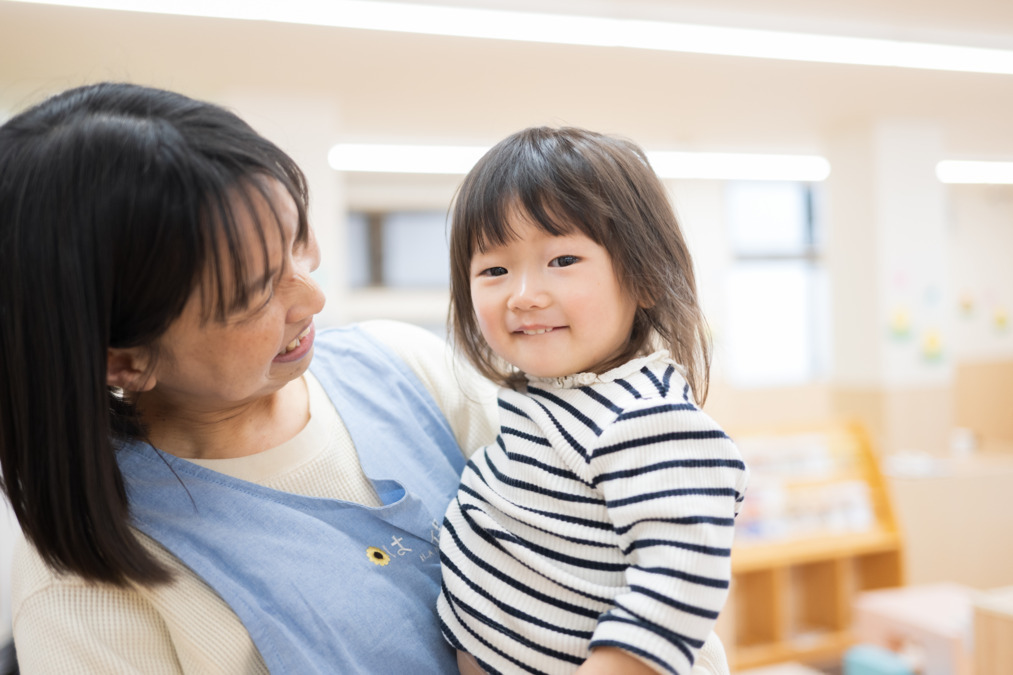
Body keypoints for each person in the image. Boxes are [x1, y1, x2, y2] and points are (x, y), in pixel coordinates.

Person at [0, 82, 499, 673]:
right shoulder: (85, 594)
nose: (311, 297)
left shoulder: (409, 366)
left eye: (297, 240)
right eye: (256, 293)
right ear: (125, 361)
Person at [437, 127, 750, 675]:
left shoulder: (648, 418)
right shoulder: (541, 400)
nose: (523, 295)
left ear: (646, 277)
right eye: (494, 270)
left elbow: (675, 591)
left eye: (562, 260)